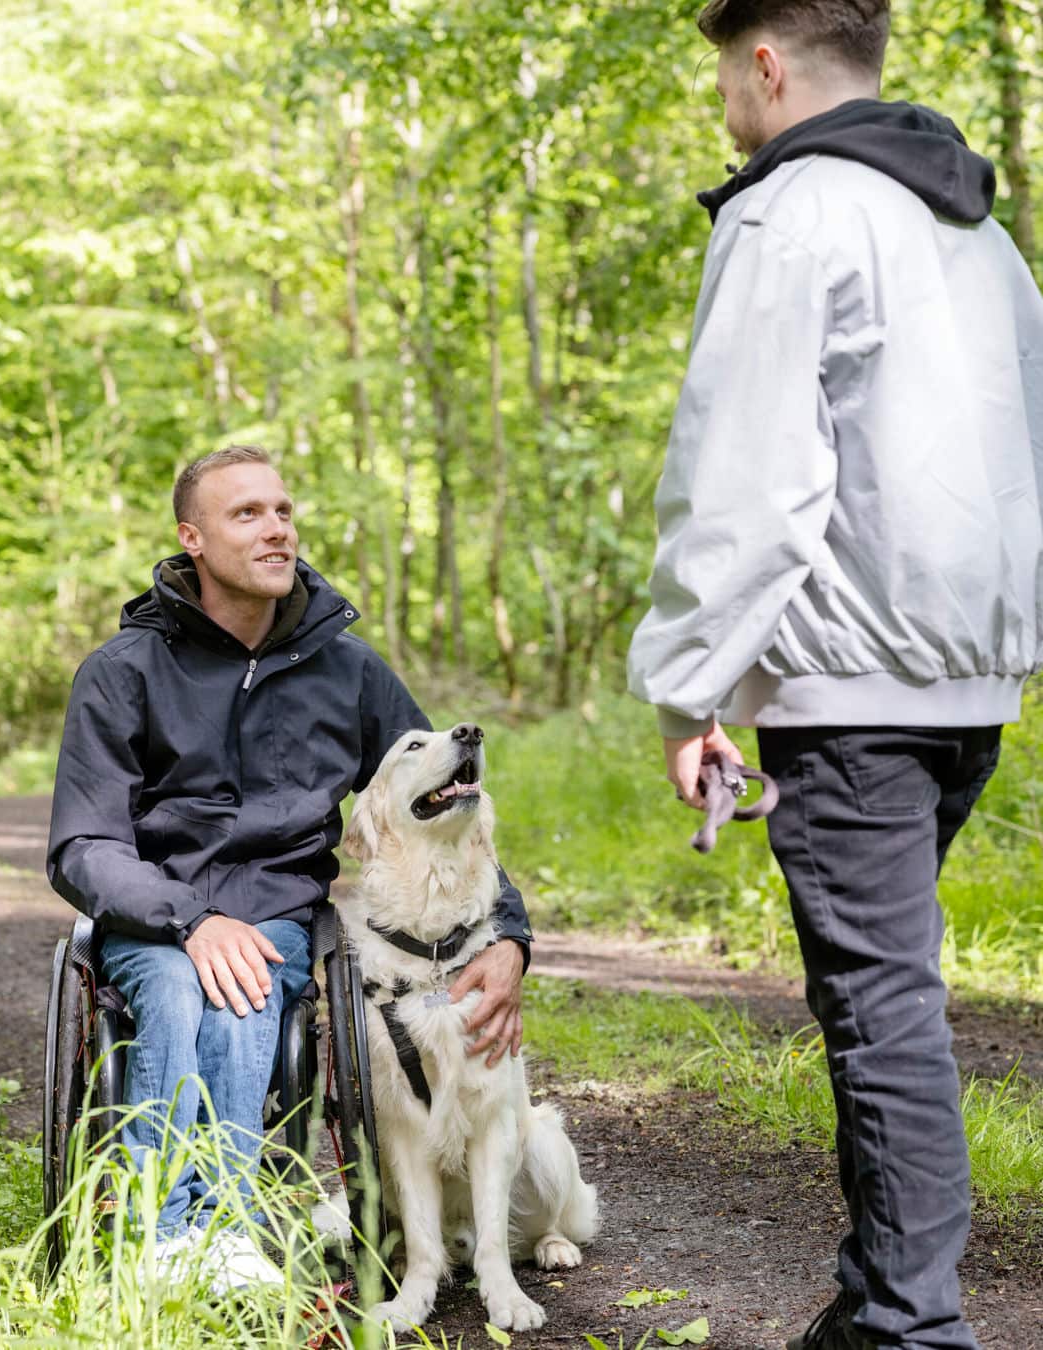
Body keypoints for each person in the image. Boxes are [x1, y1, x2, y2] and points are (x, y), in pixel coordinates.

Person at [628, 2, 1043, 1347]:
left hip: (854, 687)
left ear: (766, 61)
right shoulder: (978, 233)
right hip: (968, 681)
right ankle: (879, 1301)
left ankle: (912, 1327)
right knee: (888, 999)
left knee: (882, 1014)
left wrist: (691, 689)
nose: (725, 107)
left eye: (724, 78)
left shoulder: (791, 211)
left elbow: (744, 478)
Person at [47, 445, 533, 1288]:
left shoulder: (347, 670)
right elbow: (82, 846)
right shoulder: (122, 673)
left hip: (275, 915)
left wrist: (511, 938)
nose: (276, 528)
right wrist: (190, 921)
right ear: (193, 537)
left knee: (246, 987)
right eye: (247, 514)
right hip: (154, 917)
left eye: (282, 511)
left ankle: (223, 1230)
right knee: (176, 985)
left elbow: (442, 792)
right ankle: (163, 1235)